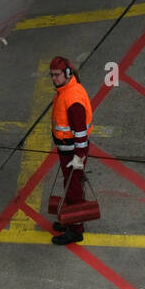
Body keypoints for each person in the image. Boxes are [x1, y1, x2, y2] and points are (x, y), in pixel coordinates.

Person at [49, 55, 93, 245]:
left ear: (67, 74)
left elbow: (80, 134)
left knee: (74, 189)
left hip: (73, 153)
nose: (53, 78)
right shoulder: (65, 90)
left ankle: (76, 230)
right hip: (66, 151)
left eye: (57, 75)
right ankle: (70, 219)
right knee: (69, 185)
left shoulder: (72, 98)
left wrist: (78, 158)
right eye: (51, 75)